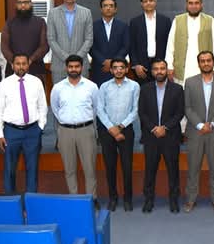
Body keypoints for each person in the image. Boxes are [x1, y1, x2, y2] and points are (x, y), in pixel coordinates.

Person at [183, 51, 214, 213]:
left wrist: (212, 123)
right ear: (199, 64)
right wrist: (199, 125)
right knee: (193, 169)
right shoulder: (190, 82)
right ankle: (190, 199)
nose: (206, 63)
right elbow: (187, 108)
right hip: (195, 132)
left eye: (208, 60)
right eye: (202, 61)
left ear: (213, 62)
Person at [0, 54, 47, 194]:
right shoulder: (4, 84)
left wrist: (40, 127)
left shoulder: (36, 82)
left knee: (32, 167)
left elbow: (42, 106)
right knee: (10, 168)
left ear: (28, 65)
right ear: (12, 65)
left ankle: (31, 199)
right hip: (11, 131)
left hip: (32, 131)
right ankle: (10, 199)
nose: (21, 66)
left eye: (24, 63)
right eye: (18, 64)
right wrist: (0, 134)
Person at [50, 54, 100, 202]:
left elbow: (95, 108)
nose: (73, 69)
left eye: (77, 66)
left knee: (89, 169)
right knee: (69, 169)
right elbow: (55, 109)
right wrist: (65, 121)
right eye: (70, 67)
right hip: (65, 131)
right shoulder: (58, 88)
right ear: (66, 68)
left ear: (82, 67)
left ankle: (92, 199)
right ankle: (74, 199)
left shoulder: (91, 87)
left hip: (86, 130)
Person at [138, 59, 184, 214]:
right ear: (152, 72)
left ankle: (174, 200)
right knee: (150, 170)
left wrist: (165, 127)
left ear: (167, 70)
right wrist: (153, 128)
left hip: (170, 136)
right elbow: (142, 112)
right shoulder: (145, 89)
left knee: (173, 170)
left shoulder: (177, 89)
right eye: (156, 69)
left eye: (162, 68)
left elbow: (179, 112)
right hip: (151, 136)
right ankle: (148, 200)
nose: (159, 71)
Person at [96, 57, 140, 211]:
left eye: (122, 67)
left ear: (127, 69)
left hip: (126, 130)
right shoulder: (104, 86)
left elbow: (135, 110)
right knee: (110, 166)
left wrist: (120, 126)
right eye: (115, 67)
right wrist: (111, 128)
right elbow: (99, 109)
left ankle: (128, 199)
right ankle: (113, 198)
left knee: (127, 166)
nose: (118, 70)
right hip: (107, 130)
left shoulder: (134, 86)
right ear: (111, 70)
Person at [165, 0, 214, 85]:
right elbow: (170, 45)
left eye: (196, 3)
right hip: (182, 67)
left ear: (201, 5)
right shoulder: (177, 20)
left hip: (203, 66)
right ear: (186, 5)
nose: (193, 6)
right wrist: (169, 66)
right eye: (190, 3)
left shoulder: (210, 20)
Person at [47, 0, 94, 84]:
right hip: (59, 65)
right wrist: (67, 58)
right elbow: (51, 39)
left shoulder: (86, 12)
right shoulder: (53, 13)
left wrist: (77, 58)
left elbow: (89, 39)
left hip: (81, 65)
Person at [1, 0, 49, 83]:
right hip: (13, 69)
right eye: (20, 2)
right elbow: (4, 47)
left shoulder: (40, 22)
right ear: (16, 5)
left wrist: (30, 60)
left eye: (26, 2)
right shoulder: (9, 23)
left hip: (36, 68)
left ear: (31, 4)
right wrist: (15, 62)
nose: (23, 5)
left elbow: (44, 46)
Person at [129, 0, 172, 82]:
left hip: (161, 66)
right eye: (145, 1)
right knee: (144, 90)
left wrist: (167, 64)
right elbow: (132, 45)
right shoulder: (135, 22)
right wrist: (136, 65)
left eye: (151, 0)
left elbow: (170, 44)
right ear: (141, 4)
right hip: (142, 67)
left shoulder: (165, 21)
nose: (148, 3)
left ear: (155, 2)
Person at [90, 0, 129, 86]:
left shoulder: (123, 26)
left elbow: (126, 46)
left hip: (118, 68)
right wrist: (103, 61)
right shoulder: (93, 26)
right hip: (99, 67)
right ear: (101, 9)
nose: (108, 8)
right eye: (105, 6)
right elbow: (91, 47)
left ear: (115, 9)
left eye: (111, 6)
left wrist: (113, 62)